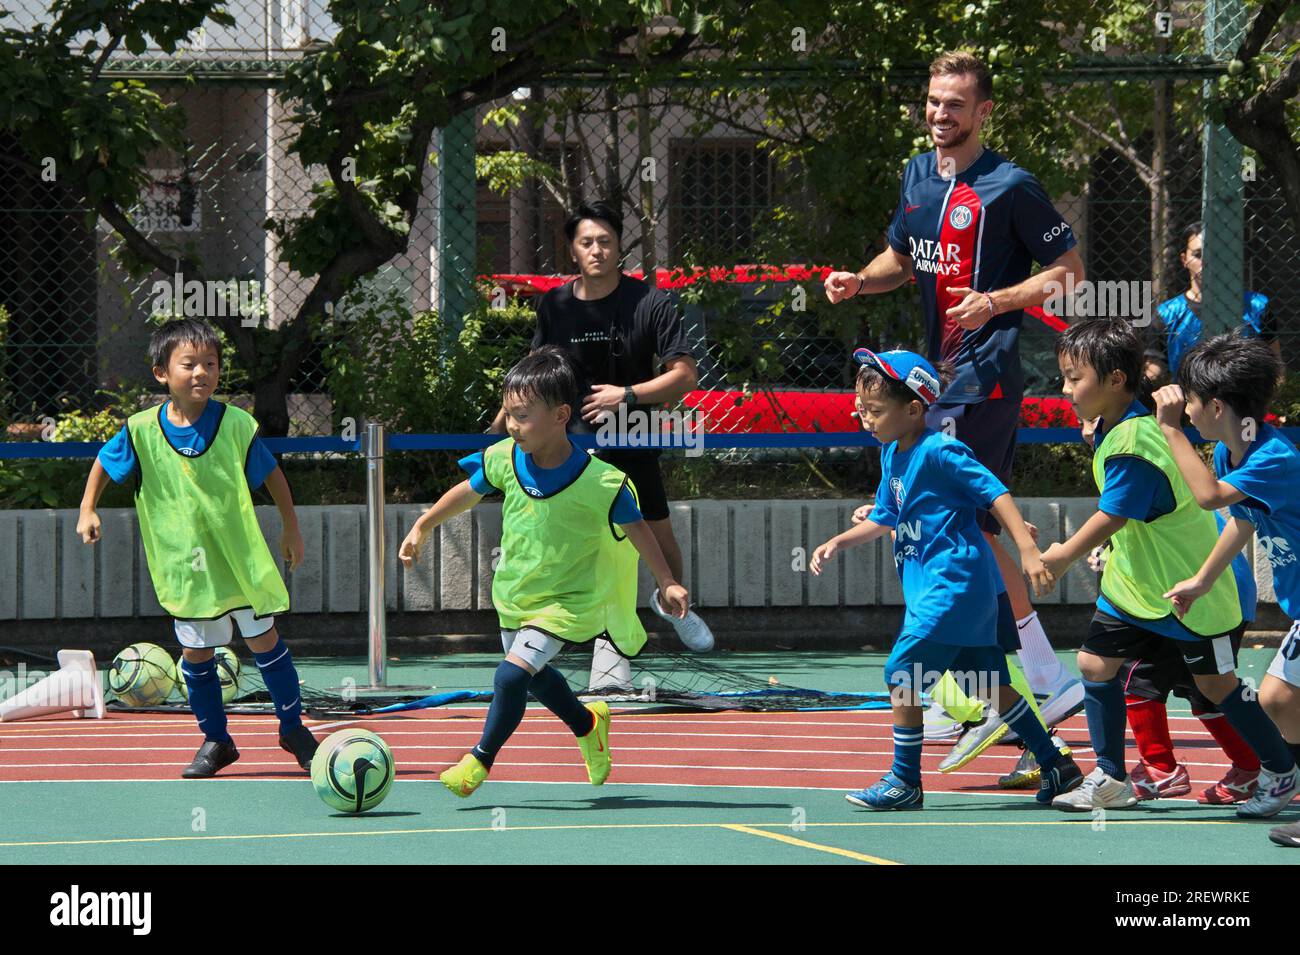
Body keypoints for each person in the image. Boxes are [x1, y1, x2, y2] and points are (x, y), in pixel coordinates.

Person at [822, 50, 1087, 748]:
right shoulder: (917, 173)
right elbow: (901, 257)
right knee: (957, 527)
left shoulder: (1011, 186)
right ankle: (1011, 679)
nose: (941, 113)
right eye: (935, 101)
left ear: (983, 111)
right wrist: (860, 281)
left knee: (964, 525)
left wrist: (996, 300)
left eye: (956, 104)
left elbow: (1070, 270)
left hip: (984, 377)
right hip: (936, 378)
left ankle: (1027, 678)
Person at [402, 347, 689, 797]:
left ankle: (478, 760)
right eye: (509, 414)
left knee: (511, 676)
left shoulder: (601, 482)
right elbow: (468, 491)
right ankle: (588, 724)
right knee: (533, 676)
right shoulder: (504, 458)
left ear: (560, 416)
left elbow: (638, 529)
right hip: (517, 592)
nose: (513, 425)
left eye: (522, 416)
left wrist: (667, 580)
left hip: (569, 600)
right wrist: (424, 524)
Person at [1037, 319, 1295, 816]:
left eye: (1074, 378)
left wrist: (1064, 554)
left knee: (1221, 689)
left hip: (1190, 594)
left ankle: (1278, 768)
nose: (1065, 389)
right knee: (1096, 664)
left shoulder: (1147, 442)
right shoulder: (1215, 448)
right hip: (1144, 587)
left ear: (1115, 380)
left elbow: (1164, 504)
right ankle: (1112, 776)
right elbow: (1239, 518)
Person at [810, 347, 1083, 810]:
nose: (865, 418)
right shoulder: (891, 454)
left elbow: (995, 493)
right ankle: (1056, 764)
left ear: (914, 409)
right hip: (942, 593)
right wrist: (840, 541)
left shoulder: (941, 450)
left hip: (952, 588)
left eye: (875, 410)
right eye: (862, 408)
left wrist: (1026, 548)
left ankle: (905, 780)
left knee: (902, 673)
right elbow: (884, 516)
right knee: (989, 684)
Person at [75, 318, 317, 778]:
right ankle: (216, 740)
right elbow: (104, 463)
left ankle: (293, 729)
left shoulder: (236, 425)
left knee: (264, 641)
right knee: (196, 653)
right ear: (161, 373)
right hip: (186, 566)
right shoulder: (141, 430)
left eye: (211, 363)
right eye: (189, 364)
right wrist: (88, 509)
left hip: (240, 559)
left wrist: (291, 528)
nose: (202, 372)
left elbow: (272, 475)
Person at [490, 200, 712, 667]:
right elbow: (533, 372)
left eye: (606, 241)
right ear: (573, 250)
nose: (597, 250)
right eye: (587, 242)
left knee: (655, 532)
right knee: (587, 544)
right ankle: (579, 639)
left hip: (632, 434)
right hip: (567, 443)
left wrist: (626, 395)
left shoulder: (650, 302)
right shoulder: (555, 305)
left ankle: (673, 600)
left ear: (619, 247)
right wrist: (500, 426)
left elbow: (685, 375)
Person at [1147, 335, 1300, 837]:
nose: (1186, 410)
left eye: (1190, 401)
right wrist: (1202, 579)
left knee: (1279, 698)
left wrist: (1170, 430)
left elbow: (1210, 498)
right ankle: (1286, 780)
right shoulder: (1232, 453)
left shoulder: (1274, 457)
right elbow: (1243, 519)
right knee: (1280, 701)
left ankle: (1284, 779)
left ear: (1215, 406)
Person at [1142, 222, 1277, 383]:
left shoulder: (1257, 306)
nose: (1207, 262)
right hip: (1188, 398)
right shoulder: (1166, 314)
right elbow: (1155, 371)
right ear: (1184, 259)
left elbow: (1276, 366)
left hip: (1243, 397)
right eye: (1198, 254)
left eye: (1215, 254)